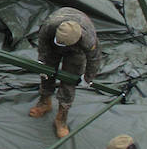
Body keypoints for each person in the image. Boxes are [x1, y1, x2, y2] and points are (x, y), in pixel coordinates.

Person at [29, 8, 100, 138]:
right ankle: (45, 102)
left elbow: (94, 59)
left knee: (69, 81)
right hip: (52, 45)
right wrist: (42, 61)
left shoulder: (88, 39)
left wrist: (88, 78)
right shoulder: (50, 26)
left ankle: (61, 118)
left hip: (75, 51)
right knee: (46, 73)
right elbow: (43, 43)